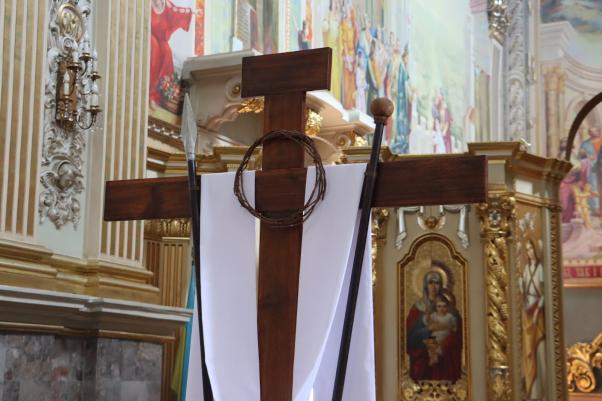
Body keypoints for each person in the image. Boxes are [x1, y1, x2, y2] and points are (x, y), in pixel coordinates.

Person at [406, 268, 462, 382]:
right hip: (422, 357)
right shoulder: (417, 309)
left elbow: (459, 334)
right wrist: (427, 330)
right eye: (430, 283)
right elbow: (410, 338)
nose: (434, 286)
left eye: (437, 283)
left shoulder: (450, 309)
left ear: (441, 285)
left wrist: (446, 333)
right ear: (425, 286)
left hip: (446, 359)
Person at [149, 0, 199, 109]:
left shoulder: (167, 6)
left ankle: (162, 93)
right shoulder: (146, 6)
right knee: (155, 50)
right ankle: (152, 95)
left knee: (167, 52)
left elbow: (177, 12)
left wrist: (192, 12)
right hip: (149, 38)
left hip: (161, 40)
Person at [519, 239, 546, 399]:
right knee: (528, 351)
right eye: (528, 249)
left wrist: (536, 311)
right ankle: (531, 390)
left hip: (537, 314)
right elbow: (522, 289)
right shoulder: (526, 270)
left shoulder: (540, 269)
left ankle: (541, 390)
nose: (530, 252)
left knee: (539, 349)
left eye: (532, 249)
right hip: (527, 314)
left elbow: (543, 294)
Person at [424, 295, 457, 366]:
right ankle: (433, 357)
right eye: (439, 306)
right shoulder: (434, 315)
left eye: (444, 306)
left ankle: (436, 355)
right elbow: (428, 322)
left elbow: (454, 327)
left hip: (444, 333)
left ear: (447, 307)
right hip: (435, 333)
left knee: (438, 339)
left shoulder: (449, 316)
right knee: (430, 342)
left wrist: (446, 327)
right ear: (436, 307)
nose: (441, 309)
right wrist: (428, 315)